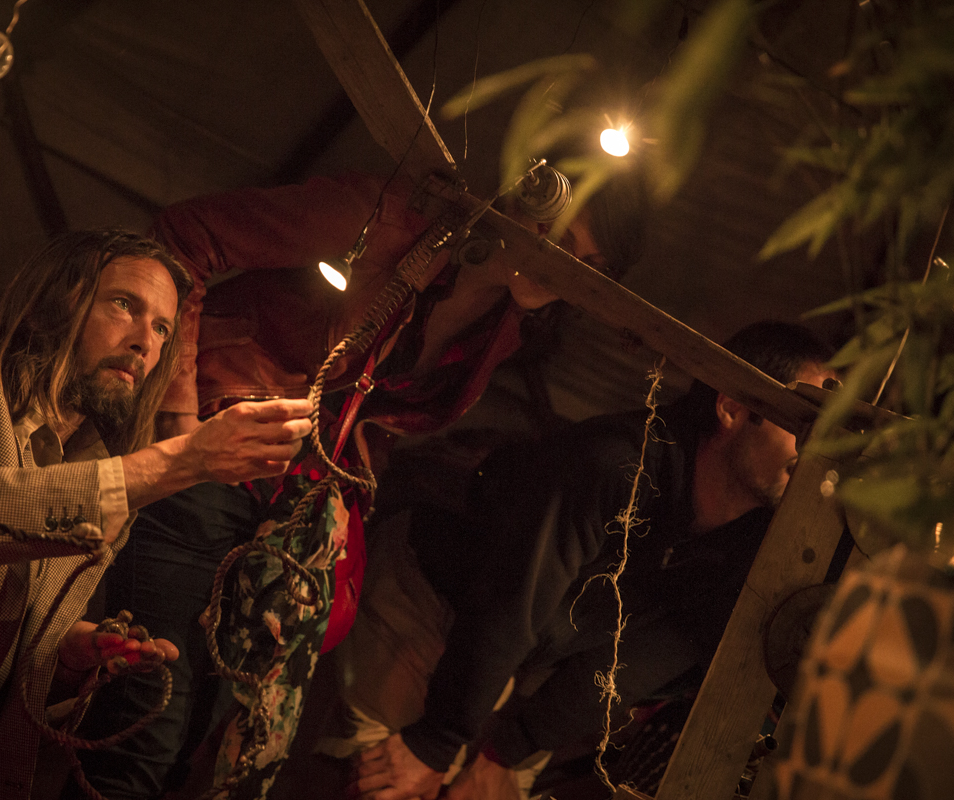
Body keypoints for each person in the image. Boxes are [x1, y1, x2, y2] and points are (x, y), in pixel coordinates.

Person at [69, 167, 649, 799]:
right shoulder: (395, 216)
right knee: (148, 717)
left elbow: (385, 409)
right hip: (216, 452)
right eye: (557, 238)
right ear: (527, 196)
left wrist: (352, 486)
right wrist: (180, 417)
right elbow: (184, 235)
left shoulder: (504, 325)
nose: (559, 268)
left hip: (288, 505)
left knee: (209, 738)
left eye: (586, 265)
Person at [0, 230, 313, 800]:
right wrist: (183, 459)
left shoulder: (95, 466)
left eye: (162, 329)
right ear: (54, 302)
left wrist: (66, 661)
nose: (144, 343)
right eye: (124, 305)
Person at [339, 321, 836, 800]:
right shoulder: (616, 464)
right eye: (804, 423)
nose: (818, 450)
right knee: (383, 783)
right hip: (433, 597)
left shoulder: (750, 545)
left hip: (521, 657)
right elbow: (509, 605)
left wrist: (507, 750)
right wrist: (436, 742)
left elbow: (638, 660)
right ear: (732, 408)